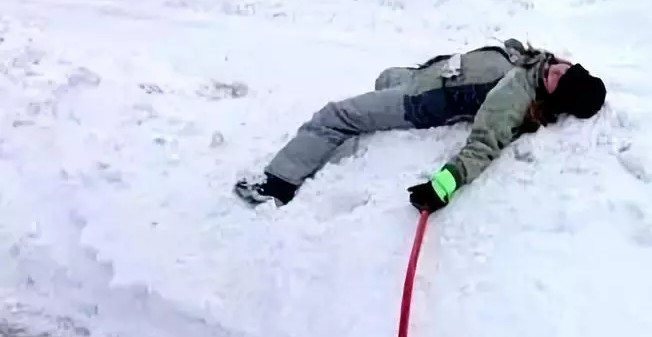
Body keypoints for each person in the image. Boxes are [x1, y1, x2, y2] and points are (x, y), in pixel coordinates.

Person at [234, 38, 607, 213]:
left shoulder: (514, 96)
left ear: (555, 97)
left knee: (335, 116)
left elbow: (484, 144)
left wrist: (442, 187)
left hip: (418, 103)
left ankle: (277, 185)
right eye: (568, 70)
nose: (560, 70)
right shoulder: (536, 64)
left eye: (563, 80)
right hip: (423, 78)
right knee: (383, 77)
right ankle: (358, 133)